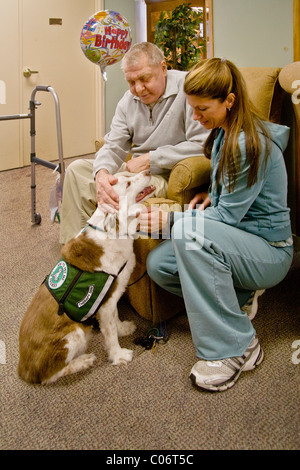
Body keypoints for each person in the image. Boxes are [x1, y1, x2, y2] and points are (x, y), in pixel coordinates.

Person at [140, 57, 293, 392]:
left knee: (184, 231)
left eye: (202, 109)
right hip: (239, 240)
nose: (196, 117)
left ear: (229, 101)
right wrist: (214, 193)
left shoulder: (248, 143)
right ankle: (238, 299)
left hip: (269, 251)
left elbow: (226, 219)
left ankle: (237, 347)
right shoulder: (224, 135)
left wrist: (170, 220)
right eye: (192, 109)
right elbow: (233, 198)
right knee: (160, 265)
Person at [59, 42, 208, 244]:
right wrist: (101, 174)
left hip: (164, 173)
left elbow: (201, 144)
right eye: (131, 82)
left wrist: (151, 159)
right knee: (77, 170)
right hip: (133, 168)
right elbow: (113, 144)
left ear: (163, 68)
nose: (138, 89)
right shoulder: (128, 100)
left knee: (120, 183)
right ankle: (75, 246)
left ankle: (99, 250)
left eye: (144, 79)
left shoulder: (188, 89)